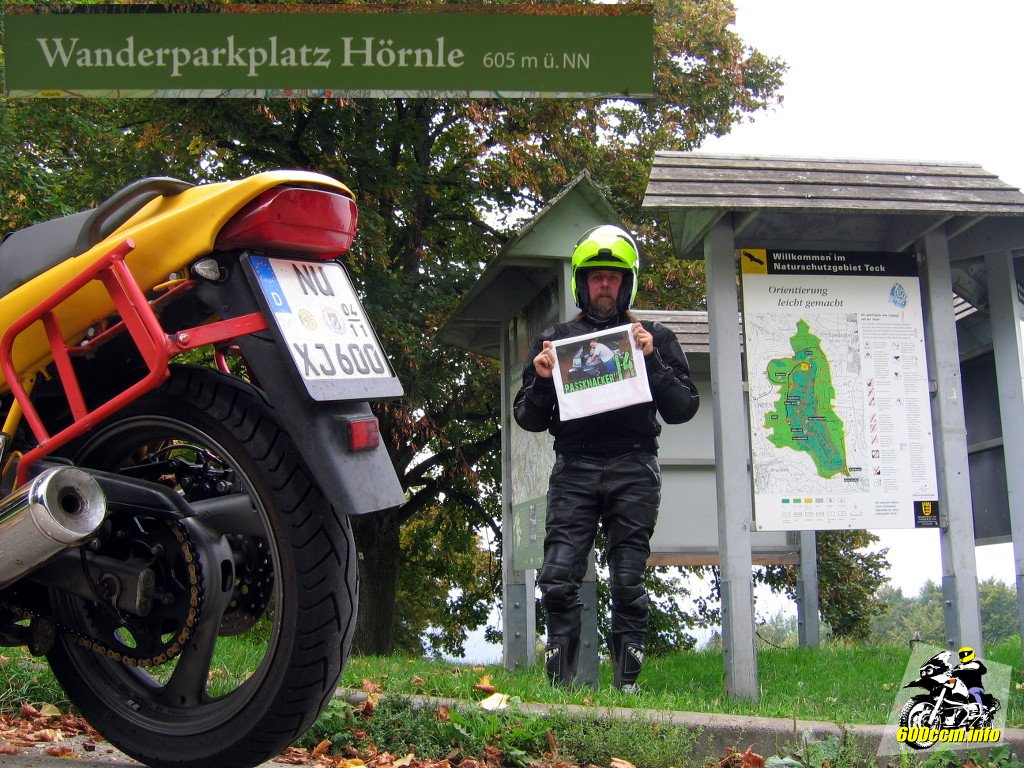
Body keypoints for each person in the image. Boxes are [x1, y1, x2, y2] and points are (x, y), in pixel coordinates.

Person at [513, 224, 700, 691]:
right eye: (596, 277)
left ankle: (626, 689)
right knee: (557, 576)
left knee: (627, 579)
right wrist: (541, 379)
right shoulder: (554, 341)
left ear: (626, 283)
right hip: (574, 468)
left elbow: (683, 408)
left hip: (634, 466)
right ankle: (560, 689)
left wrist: (651, 359)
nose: (603, 285)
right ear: (582, 283)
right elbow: (527, 419)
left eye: (612, 278)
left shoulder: (654, 336)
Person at [953, 646, 988, 716]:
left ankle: (981, 712)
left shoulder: (976, 664)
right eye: (963, 654)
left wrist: (966, 668)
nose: (965, 656)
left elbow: (984, 670)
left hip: (975, 687)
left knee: (973, 691)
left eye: (966, 654)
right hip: (962, 689)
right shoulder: (958, 667)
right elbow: (952, 675)